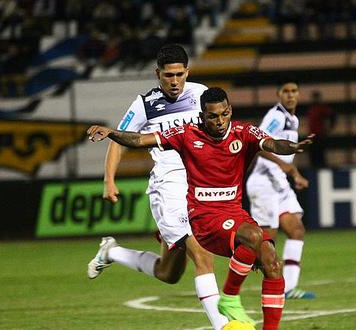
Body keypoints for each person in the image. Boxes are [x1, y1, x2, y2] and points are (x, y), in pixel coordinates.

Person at [87, 87, 315, 330]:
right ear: (201, 116)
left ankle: (112, 252)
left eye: (224, 114)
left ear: (230, 111)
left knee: (270, 262)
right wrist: (112, 133)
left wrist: (291, 147)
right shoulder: (185, 133)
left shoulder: (243, 131)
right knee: (247, 239)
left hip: (234, 213)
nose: (220, 121)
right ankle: (228, 302)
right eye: (213, 116)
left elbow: (271, 143)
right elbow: (140, 140)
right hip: (202, 216)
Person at [86, 44, 228, 330]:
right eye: (167, 76)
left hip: (199, 186)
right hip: (168, 187)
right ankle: (222, 326)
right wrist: (109, 180)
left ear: (187, 72)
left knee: (169, 273)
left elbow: (219, 132)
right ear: (157, 74)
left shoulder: (202, 95)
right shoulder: (145, 104)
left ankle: (111, 252)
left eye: (179, 74)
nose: (174, 82)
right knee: (203, 254)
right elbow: (119, 138)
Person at [246, 79, 314, 300]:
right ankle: (238, 275)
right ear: (278, 94)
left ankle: (288, 288)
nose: (291, 95)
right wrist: (284, 165)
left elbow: (286, 155)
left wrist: (294, 173)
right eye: (286, 91)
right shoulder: (276, 116)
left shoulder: (292, 119)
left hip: (279, 183)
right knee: (266, 241)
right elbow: (258, 142)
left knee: (296, 230)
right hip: (264, 183)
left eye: (294, 91)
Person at [306, 90, 335, 168]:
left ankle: (321, 168)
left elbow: (332, 115)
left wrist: (330, 127)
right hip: (312, 135)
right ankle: (314, 168)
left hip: (319, 135)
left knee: (320, 154)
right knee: (313, 154)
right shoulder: (311, 108)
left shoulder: (321, 108)